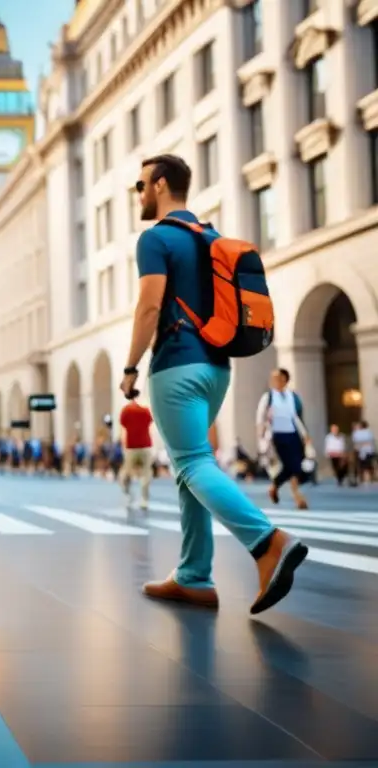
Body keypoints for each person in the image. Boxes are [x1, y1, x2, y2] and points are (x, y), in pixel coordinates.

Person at [119, 154, 307, 615]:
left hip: (176, 366)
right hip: (217, 368)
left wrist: (129, 368)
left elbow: (149, 307)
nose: (138, 194)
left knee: (192, 463)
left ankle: (268, 542)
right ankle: (194, 575)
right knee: (191, 468)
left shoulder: (156, 238)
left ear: (160, 185)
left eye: (141, 185)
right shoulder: (212, 238)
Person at [256, 368, 310, 509]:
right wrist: (261, 436)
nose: (275, 381)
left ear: (285, 380)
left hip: (293, 434)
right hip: (277, 435)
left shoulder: (293, 396)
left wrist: (305, 435)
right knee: (290, 465)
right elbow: (260, 418)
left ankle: (275, 486)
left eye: (278, 378)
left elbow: (297, 417)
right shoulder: (268, 397)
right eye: (273, 378)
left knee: (295, 466)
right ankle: (297, 497)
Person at [118, 395, 153, 509]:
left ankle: (128, 495)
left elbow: (122, 423)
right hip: (145, 445)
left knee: (125, 474)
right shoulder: (146, 410)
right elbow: (150, 421)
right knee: (146, 474)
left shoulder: (126, 410)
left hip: (131, 446)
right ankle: (144, 499)